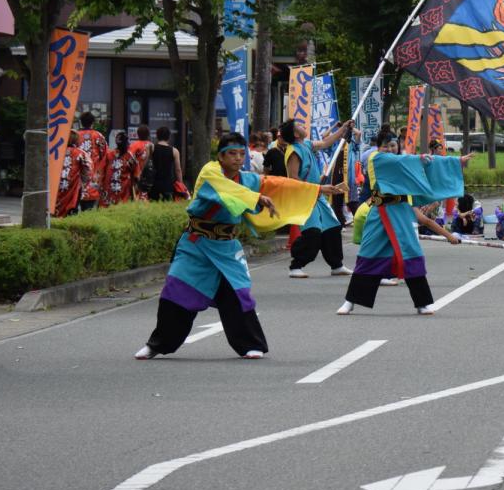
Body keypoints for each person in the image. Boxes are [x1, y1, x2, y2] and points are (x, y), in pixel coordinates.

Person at [134, 132, 342, 360]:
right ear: (220, 156)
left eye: (241, 154)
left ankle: (250, 344)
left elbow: (278, 184)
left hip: (226, 247)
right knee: (176, 292)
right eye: (231, 154)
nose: (237, 158)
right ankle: (157, 344)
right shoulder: (210, 172)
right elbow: (224, 190)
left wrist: (317, 190)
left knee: (237, 294)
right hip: (196, 245)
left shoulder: (247, 180)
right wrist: (256, 198)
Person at [336, 131, 469, 315]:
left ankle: (422, 303)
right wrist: (420, 158)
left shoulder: (404, 162)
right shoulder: (377, 159)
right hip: (379, 215)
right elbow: (405, 161)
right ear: (379, 147)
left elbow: (429, 162)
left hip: (401, 213)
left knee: (411, 254)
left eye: (393, 145)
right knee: (368, 254)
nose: (390, 149)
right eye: (386, 145)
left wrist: (457, 161)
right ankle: (350, 301)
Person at [283, 117, 354, 278]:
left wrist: (343, 128)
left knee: (333, 228)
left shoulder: (306, 144)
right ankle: (296, 265)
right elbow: (293, 179)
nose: (303, 126)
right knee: (312, 233)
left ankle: (337, 265)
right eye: (299, 125)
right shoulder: (293, 151)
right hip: (304, 197)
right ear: (295, 134)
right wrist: (319, 188)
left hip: (317, 195)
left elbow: (326, 142)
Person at [56, 130, 93, 217]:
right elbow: (89, 169)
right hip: (73, 186)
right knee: (71, 209)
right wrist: (83, 182)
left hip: (57, 185)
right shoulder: (80, 153)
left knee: (56, 208)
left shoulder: (56, 151)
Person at [77, 112, 109, 211]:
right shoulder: (98, 136)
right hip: (93, 178)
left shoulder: (75, 136)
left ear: (81, 122)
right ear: (93, 123)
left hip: (78, 178)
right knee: (90, 209)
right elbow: (105, 156)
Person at [104, 131, 141, 205]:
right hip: (123, 197)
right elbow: (137, 176)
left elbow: (102, 172)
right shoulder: (130, 156)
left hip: (109, 195)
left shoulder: (109, 154)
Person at [148, 126, 183, 202]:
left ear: (157, 136)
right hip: (168, 184)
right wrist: (181, 184)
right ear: (168, 137)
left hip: (154, 183)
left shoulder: (152, 148)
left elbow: (147, 163)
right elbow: (178, 170)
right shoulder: (174, 151)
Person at [129, 125, 153, 201]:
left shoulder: (134, 145)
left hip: (137, 175)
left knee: (137, 196)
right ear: (148, 134)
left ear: (138, 134)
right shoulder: (152, 145)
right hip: (150, 175)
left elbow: (130, 160)